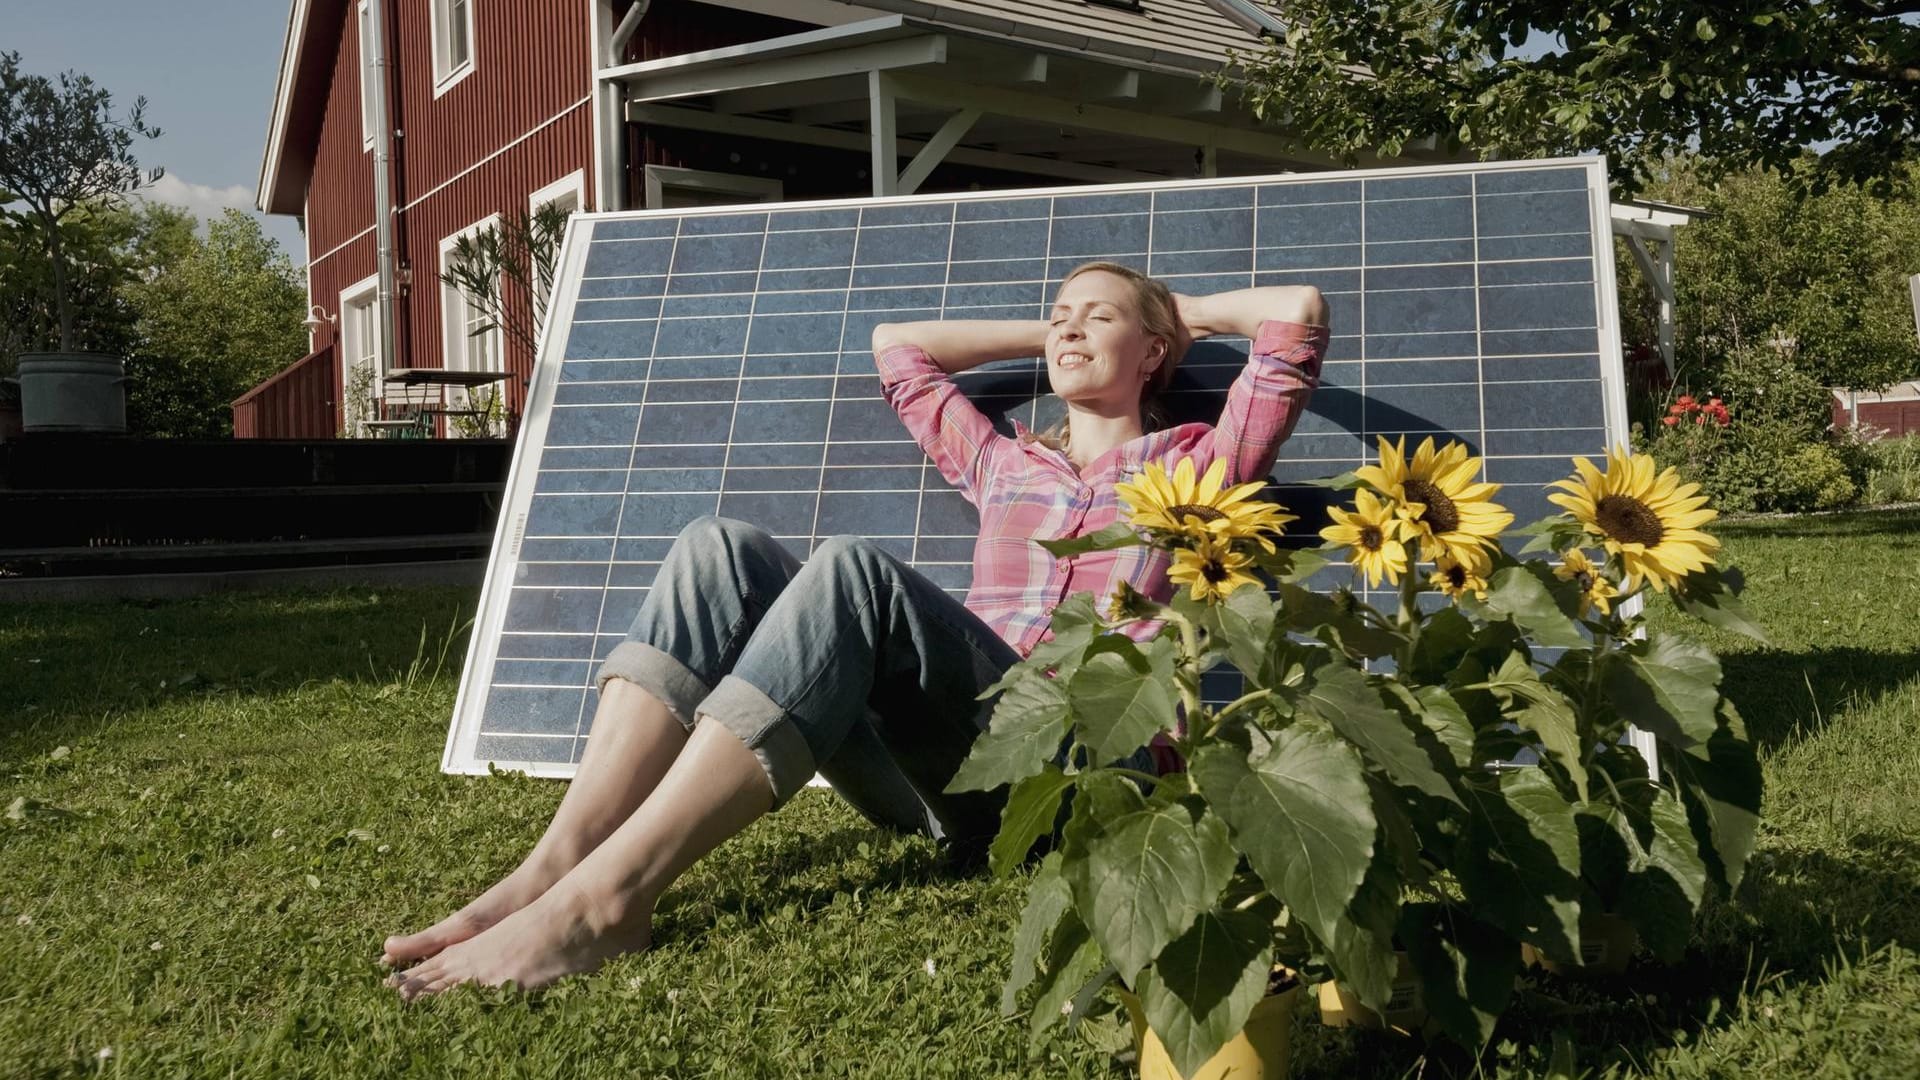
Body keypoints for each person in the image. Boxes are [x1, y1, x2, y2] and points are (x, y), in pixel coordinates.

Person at [379, 261, 1328, 1000]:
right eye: (1059, 313)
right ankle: (555, 867)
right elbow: (898, 347)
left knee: (853, 573)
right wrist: (1064, 330)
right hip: (941, 773)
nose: (1070, 325)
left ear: (1156, 353)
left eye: (1099, 316)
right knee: (720, 548)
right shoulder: (1006, 466)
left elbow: (1294, 315)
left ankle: (607, 902)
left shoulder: (1209, 461)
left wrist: (1175, 309)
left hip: (1080, 774)